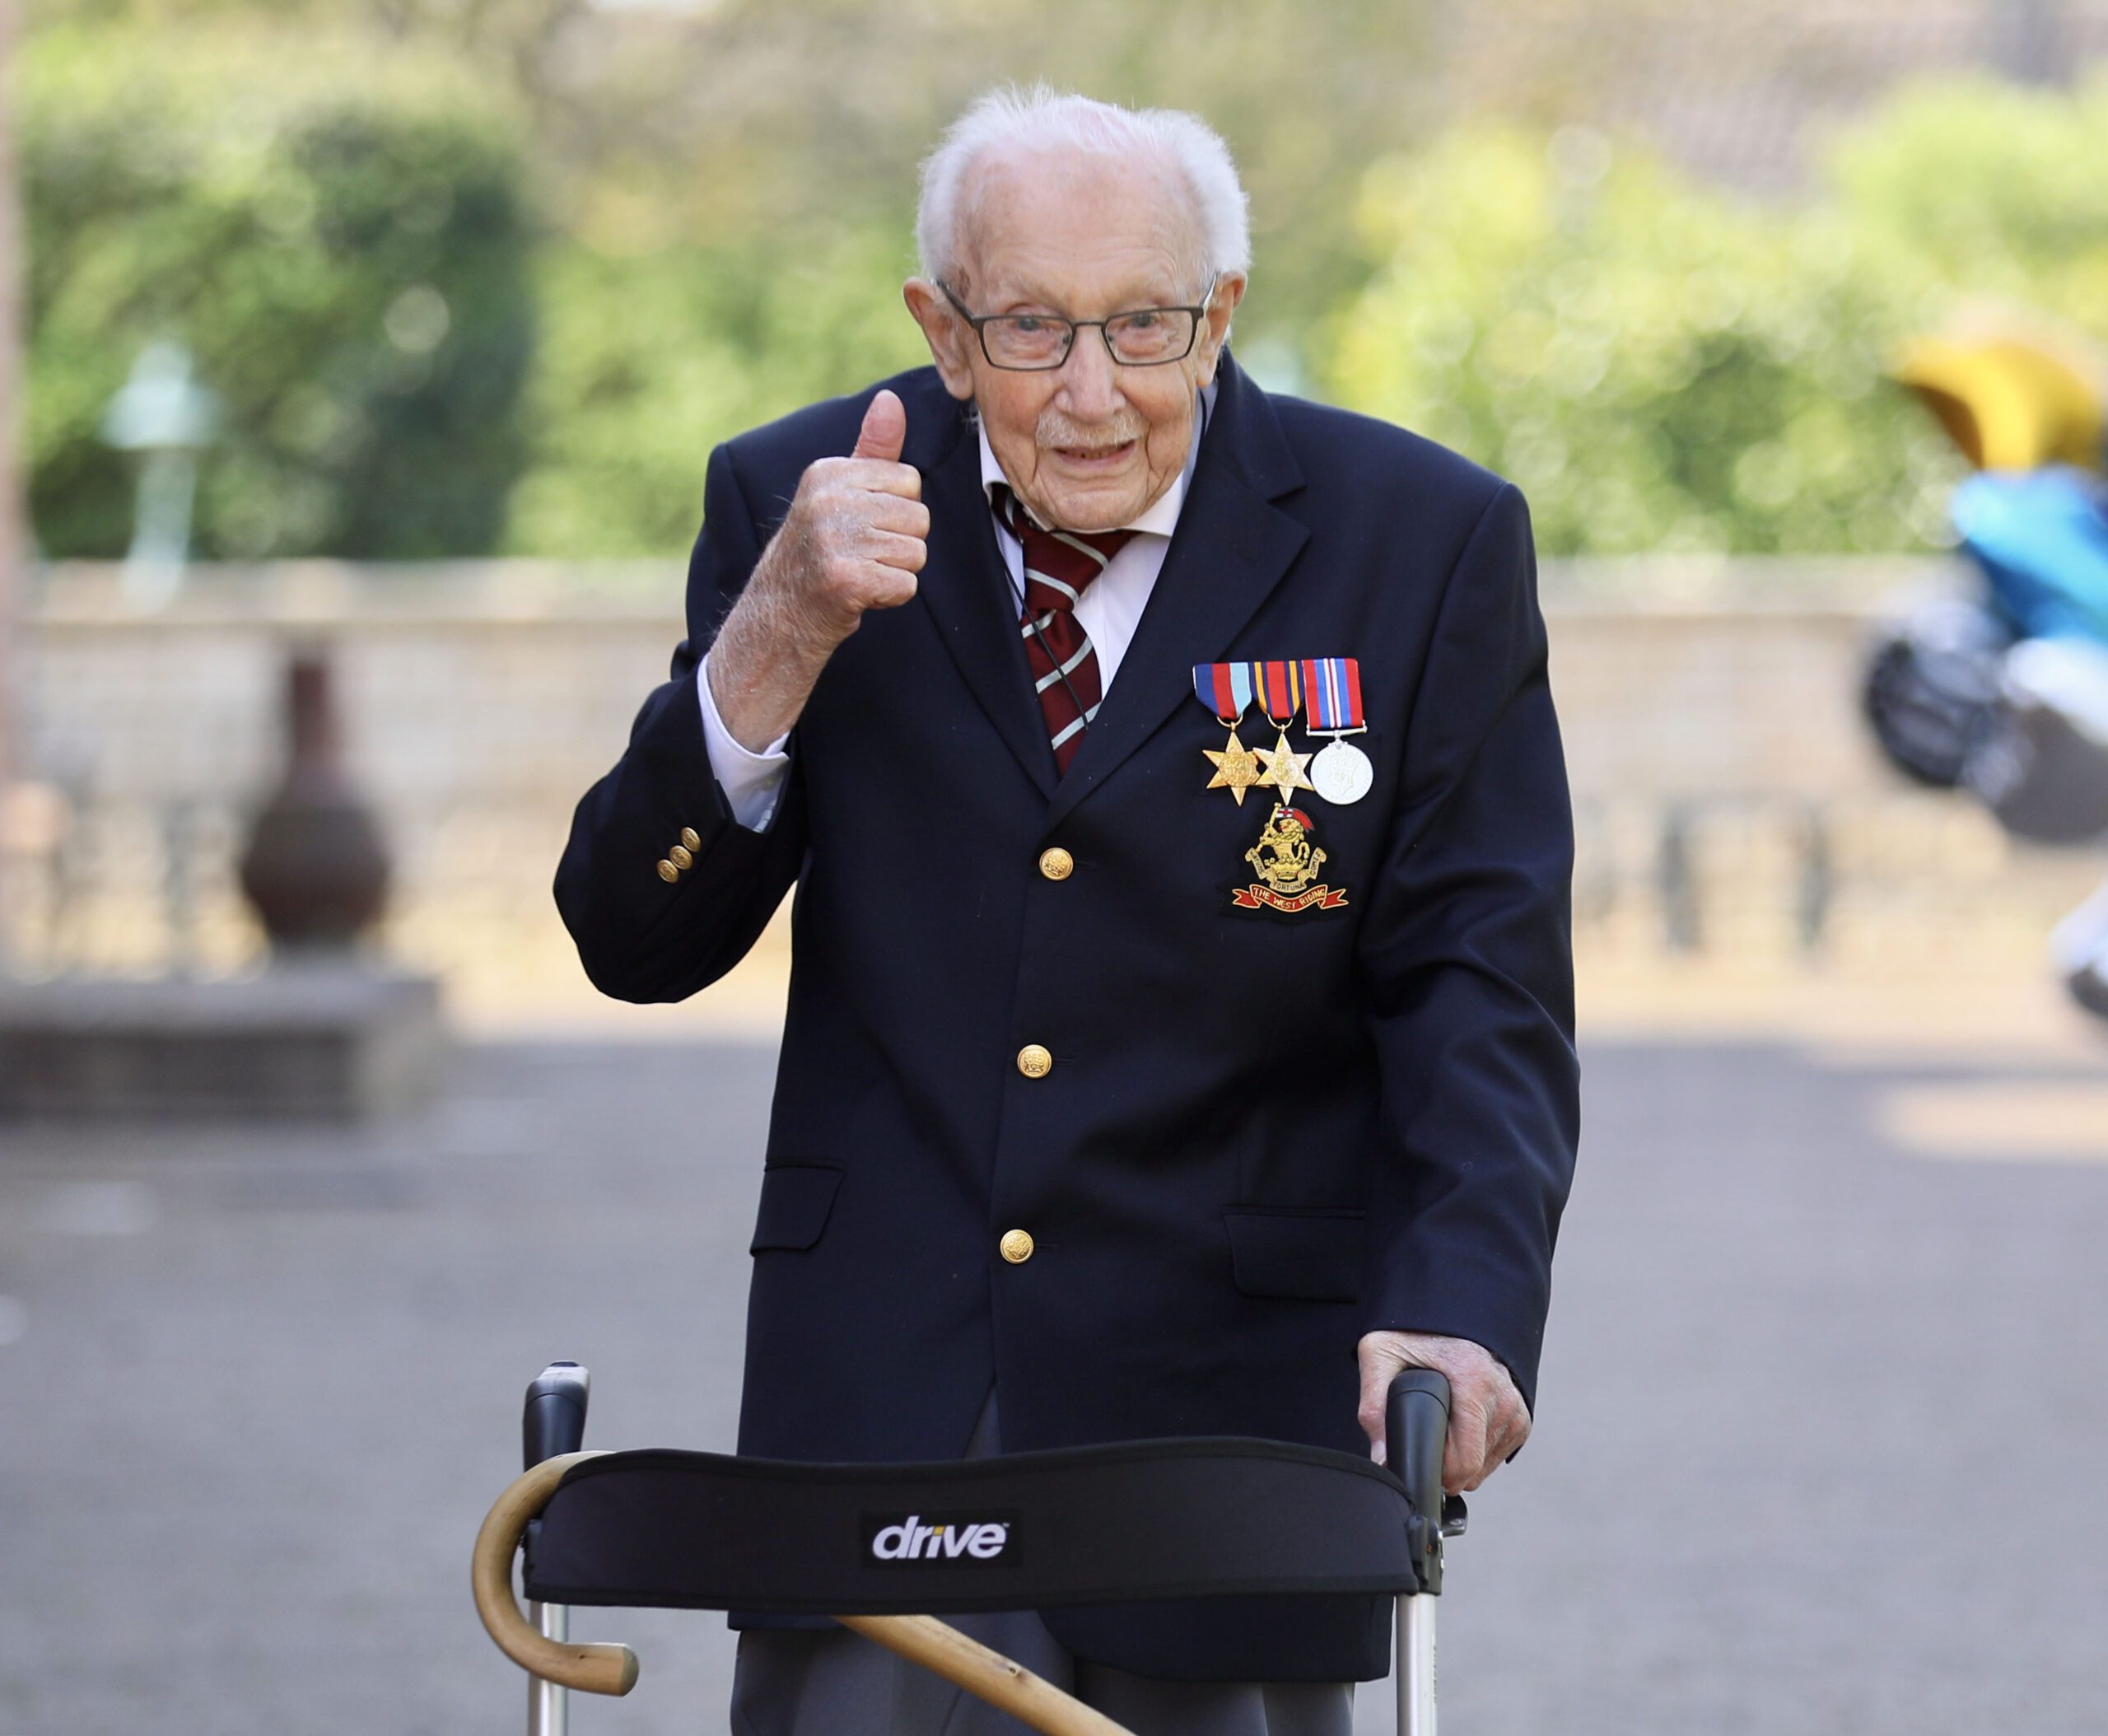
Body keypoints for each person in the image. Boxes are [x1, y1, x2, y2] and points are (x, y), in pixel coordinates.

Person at [556, 86, 1579, 1736]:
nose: (1091, 392)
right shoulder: (795, 507)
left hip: (1235, 1421)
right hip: (886, 1416)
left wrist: (1463, 1310)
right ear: (941, 331)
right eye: (1030, 328)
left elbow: (1480, 988)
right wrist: (775, 637)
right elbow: (630, 940)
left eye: (1141, 326)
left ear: (1219, 313)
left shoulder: (1423, 540)